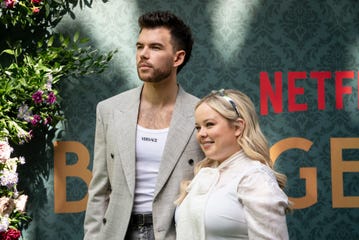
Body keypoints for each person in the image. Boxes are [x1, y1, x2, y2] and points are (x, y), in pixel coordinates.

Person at [83, 11, 204, 240]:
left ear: (177, 58)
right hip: (118, 232)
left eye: (155, 48)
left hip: (177, 233)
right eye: (140, 46)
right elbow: (99, 189)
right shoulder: (109, 110)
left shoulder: (200, 113)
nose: (143, 55)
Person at [175, 89, 291, 240]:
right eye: (198, 127)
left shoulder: (254, 177)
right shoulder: (203, 175)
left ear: (238, 127)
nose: (201, 134)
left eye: (209, 124)